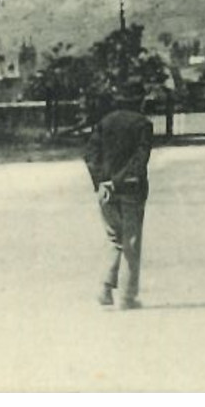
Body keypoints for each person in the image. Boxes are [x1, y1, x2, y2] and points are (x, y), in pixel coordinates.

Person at [84, 89, 154, 309]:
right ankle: (127, 297)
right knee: (131, 242)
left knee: (115, 239)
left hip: (105, 191)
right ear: (139, 100)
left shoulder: (105, 122)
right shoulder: (143, 124)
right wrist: (118, 181)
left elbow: (90, 156)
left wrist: (102, 182)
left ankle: (105, 290)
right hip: (131, 189)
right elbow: (140, 160)